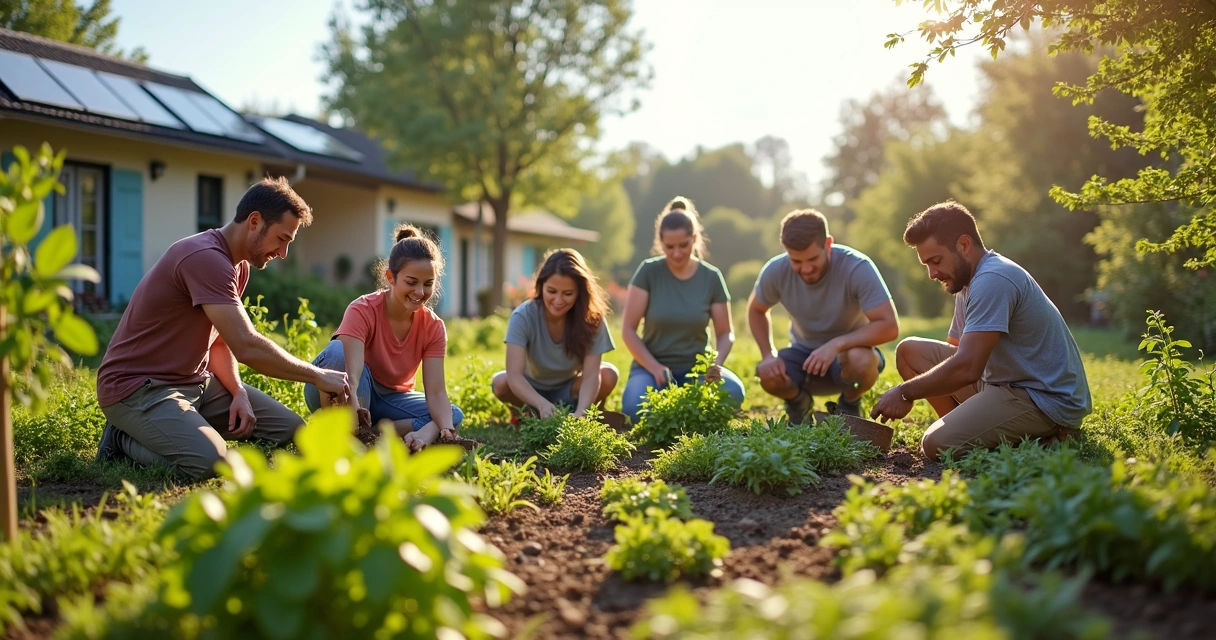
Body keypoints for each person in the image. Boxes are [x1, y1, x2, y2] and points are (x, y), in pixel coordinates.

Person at [95, 177, 350, 479]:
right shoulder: (205, 258)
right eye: (282, 239)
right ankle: (122, 439)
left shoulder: (238, 265)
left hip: (195, 383)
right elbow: (246, 345)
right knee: (212, 463)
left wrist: (238, 391)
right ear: (254, 221)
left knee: (292, 430)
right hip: (139, 389)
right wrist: (318, 375)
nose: (283, 253)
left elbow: (220, 341)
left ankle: (179, 426)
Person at [871, 201, 1092, 460]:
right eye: (926, 264)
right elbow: (956, 350)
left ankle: (1045, 436)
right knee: (910, 352)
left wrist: (904, 392)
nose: (931, 273)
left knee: (935, 444)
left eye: (936, 260)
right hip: (1001, 383)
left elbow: (967, 367)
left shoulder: (993, 279)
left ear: (964, 245)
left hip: (1041, 399)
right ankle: (969, 431)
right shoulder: (966, 281)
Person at [304, 224, 463, 452]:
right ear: (390, 277)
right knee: (337, 351)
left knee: (451, 414)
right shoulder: (363, 309)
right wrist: (355, 405)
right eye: (411, 282)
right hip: (348, 387)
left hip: (391, 400)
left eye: (428, 284)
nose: (420, 292)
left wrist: (444, 429)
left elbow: (436, 392)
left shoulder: (434, 326)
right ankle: (343, 434)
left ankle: (376, 433)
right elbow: (352, 374)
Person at [749, 209, 899, 423]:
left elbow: (889, 326)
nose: (806, 268)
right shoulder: (775, 270)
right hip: (804, 358)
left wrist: (836, 345)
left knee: (862, 359)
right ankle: (798, 402)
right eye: (796, 261)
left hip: (849, 361)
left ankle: (849, 404)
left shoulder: (857, 267)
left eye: (812, 259)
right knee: (767, 374)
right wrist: (767, 354)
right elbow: (756, 309)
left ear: (828, 244)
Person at [620, 197, 745, 424]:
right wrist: (654, 367)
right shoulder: (648, 273)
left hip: (698, 371)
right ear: (660, 243)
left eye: (683, 245)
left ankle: (680, 408)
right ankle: (682, 409)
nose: (677, 253)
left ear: (694, 239)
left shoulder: (711, 277)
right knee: (634, 407)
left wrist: (716, 364)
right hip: (651, 370)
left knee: (735, 393)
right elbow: (628, 330)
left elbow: (725, 332)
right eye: (669, 247)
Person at [492, 248, 618, 418]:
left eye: (568, 294)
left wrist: (582, 412)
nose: (558, 301)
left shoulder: (592, 319)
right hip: (531, 390)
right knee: (500, 382)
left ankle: (583, 411)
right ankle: (527, 413)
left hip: (570, 388)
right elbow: (514, 375)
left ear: (580, 292)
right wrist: (541, 403)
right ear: (541, 286)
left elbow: (591, 376)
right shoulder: (522, 316)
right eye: (552, 291)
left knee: (609, 375)